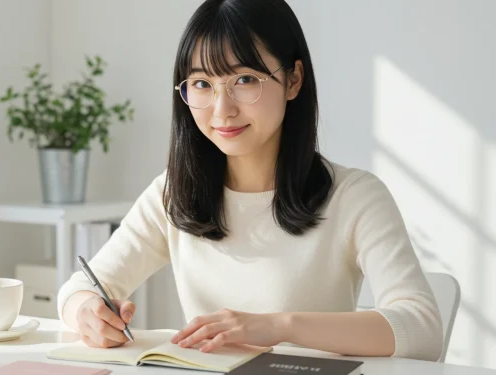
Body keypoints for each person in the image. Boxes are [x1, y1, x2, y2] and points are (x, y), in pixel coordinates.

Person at [56, 0, 443, 362]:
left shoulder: (355, 196)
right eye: (203, 84)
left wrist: (277, 326)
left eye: (244, 79)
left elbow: (422, 329)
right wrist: (87, 312)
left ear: (293, 80)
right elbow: (78, 289)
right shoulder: (174, 194)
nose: (222, 110)